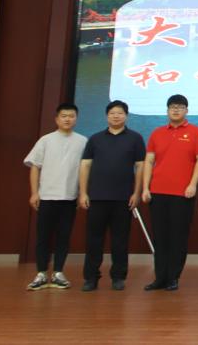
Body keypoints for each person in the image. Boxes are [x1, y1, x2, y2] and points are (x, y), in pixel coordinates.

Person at [142, 94, 198, 291]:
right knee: (160, 237)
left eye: (180, 107)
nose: (176, 110)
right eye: (172, 107)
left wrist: (193, 184)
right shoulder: (157, 133)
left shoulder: (195, 132)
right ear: (167, 110)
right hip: (157, 192)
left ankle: (173, 277)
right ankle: (160, 277)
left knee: (178, 236)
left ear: (186, 110)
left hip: (183, 193)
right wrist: (145, 187)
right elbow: (149, 161)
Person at [78, 99, 146, 291]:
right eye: (112, 113)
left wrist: (136, 192)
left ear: (126, 116)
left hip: (123, 198)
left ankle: (118, 277)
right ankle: (91, 278)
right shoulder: (95, 139)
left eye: (120, 113)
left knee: (120, 241)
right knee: (94, 240)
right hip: (97, 197)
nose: (116, 116)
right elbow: (85, 165)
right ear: (107, 116)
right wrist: (83, 192)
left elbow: (140, 166)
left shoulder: (135, 138)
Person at [24, 102, 87, 290]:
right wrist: (34, 193)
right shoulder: (45, 140)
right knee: (43, 236)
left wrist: (81, 193)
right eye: (64, 116)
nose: (67, 119)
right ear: (57, 119)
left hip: (69, 197)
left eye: (71, 116)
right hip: (46, 196)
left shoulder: (83, 141)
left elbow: (85, 169)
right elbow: (35, 166)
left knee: (64, 236)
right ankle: (41, 273)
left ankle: (58, 272)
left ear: (76, 119)